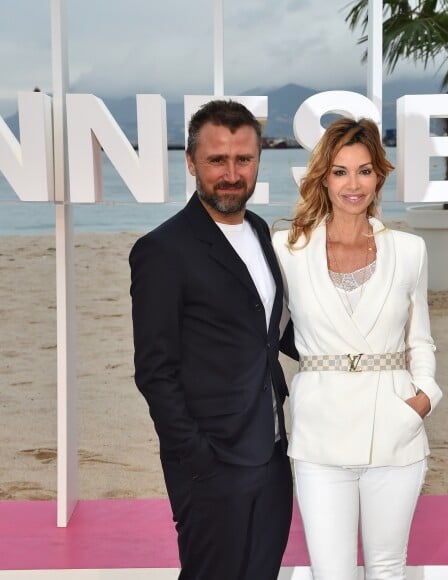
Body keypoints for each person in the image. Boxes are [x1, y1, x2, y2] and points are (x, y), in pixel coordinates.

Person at [130, 99, 295, 580]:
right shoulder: (162, 250)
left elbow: (273, 331)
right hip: (211, 462)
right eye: (217, 160)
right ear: (191, 162)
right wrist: (196, 456)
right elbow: (154, 372)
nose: (231, 173)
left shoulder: (261, 231)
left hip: (272, 449)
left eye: (243, 159)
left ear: (258, 161)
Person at [272, 117, 442, 580]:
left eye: (364, 170)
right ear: (323, 177)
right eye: (341, 171)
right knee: (332, 573)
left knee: (388, 568)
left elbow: (420, 338)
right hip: (318, 431)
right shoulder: (287, 249)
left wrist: (424, 398)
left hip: (395, 426)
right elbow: (263, 334)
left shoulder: (409, 250)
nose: (353, 184)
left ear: (379, 176)